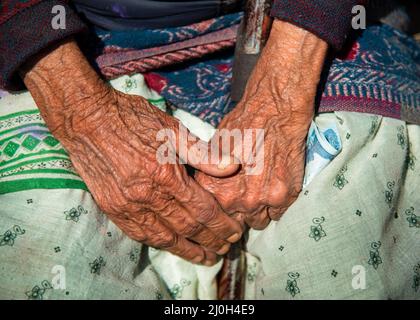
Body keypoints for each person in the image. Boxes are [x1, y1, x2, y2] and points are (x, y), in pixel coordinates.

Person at [0, 0, 419, 299]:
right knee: (46, 242)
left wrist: (288, 77)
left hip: (313, 26)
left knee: (342, 229)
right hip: (64, 50)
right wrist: (82, 111)